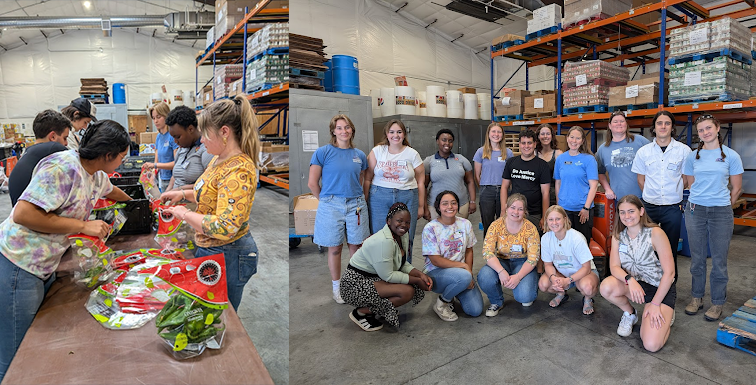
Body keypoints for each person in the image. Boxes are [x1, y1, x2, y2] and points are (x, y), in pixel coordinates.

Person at [0, 120, 132, 382]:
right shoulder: (63, 168)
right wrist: (83, 225)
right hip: (20, 263)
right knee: (16, 349)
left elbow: (110, 190)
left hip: (44, 263)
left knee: (33, 341)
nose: (122, 162)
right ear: (108, 155)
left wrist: (141, 202)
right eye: (121, 157)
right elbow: (23, 214)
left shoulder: (95, 172)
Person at [160, 95, 261, 311]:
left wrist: (184, 214)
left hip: (229, 252)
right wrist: (184, 194)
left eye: (205, 134)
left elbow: (225, 226)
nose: (202, 140)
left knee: (221, 314)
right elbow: (212, 194)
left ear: (225, 132)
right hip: (212, 247)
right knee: (207, 310)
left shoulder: (239, 170)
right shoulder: (218, 159)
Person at [682, 114, 743, 321]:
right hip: (695, 210)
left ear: (717, 128)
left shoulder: (731, 156)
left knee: (719, 260)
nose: (705, 132)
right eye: (701, 130)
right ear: (698, 134)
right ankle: (696, 298)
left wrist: (722, 203)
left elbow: (736, 188)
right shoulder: (692, 156)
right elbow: (690, 183)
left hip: (721, 212)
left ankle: (717, 303)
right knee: (697, 258)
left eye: (709, 128)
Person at [307, 114, 370, 304]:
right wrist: (327, 201)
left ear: (352, 130)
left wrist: (361, 198)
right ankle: (337, 287)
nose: (344, 131)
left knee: (356, 247)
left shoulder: (359, 155)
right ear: (333, 131)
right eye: (340, 128)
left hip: (356, 204)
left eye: (347, 127)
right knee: (334, 248)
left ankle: (354, 284)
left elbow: (361, 179)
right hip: (331, 205)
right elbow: (312, 183)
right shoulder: (323, 152)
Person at [599, 195, 676, 352]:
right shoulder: (618, 236)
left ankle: (666, 314)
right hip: (634, 285)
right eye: (622, 212)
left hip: (658, 288)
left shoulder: (655, 233)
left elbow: (670, 273)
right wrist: (630, 280)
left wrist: (655, 304)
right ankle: (630, 313)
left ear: (641, 211)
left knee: (651, 345)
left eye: (631, 211)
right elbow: (614, 267)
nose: (627, 216)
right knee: (606, 287)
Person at [340, 203, 432, 331]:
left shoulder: (401, 235)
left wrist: (420, 274)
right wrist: (416, 280)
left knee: (409, 285)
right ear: (389, 221)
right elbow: (388, 275)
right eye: (399, 221)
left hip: (373, 278)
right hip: (354, 285)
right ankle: (361, 313)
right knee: (407, 291)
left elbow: (401, 263)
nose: (404, 225)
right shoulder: (384, 241)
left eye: (407, 222)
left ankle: (380, 309)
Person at [632, 111, 691, 282]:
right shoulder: (644, 152)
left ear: (672, 127)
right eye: (660, 123)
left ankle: (670, 283)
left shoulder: (683, 151)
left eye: (667, 123)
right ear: (654, 127)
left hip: (672, 207)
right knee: (647, 247)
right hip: (649, 206)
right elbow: (640, 180)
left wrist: (674, 191)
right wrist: (652, 194)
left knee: (670, 247)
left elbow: (686, 179)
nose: (663, 126)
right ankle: (648, 281)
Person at [363, 119, 425, 263]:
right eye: (392, 132)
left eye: (399, 132)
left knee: (405, 238)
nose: (395, 135)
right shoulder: (377, 151)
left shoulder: (412, 154)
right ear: (386, 133)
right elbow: (367, 178)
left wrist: (421, 206)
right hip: (379, 196)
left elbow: (421, 181)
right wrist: (365, 200)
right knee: (379, 237)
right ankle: (380, 272)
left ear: (404, 134)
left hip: (407, 196)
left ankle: (404, 271)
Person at [422, 191, 483, 321]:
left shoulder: (465, 224)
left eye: (453, 203)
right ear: (438, 207)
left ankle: (455, 289)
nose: (450, 207)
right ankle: (442, 302)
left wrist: (469, 274)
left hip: (461, 274)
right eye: (445, 204)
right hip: (436, 273)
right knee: (464, 276)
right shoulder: (431, 228)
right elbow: (436, 260)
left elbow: (469, 250)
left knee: (475, 310)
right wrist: (464, 267)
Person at [477, 193, 540, 316]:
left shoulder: (530, 228)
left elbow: (533, 258)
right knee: (485, 276)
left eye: (520, 209)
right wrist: (501, 271)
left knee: (525, 297)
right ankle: (496, 302)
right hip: (502, 261)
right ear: (506, 208)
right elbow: (487, 252)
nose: (516, 212)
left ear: (525, 211)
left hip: (523, 262)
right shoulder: (496, 225)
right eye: (513, 207)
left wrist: (518, 277)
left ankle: (527, 288)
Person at [538, 205, 599, 315]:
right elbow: (548, 265)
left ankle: (587, 299)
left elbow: (587, 267)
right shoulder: (546, 238)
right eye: (551, 219)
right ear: (546, 221)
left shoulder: (577, 238)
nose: (554, 222)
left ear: (565, 219)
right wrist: (553, 278)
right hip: (562, 273)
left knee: (587, 288)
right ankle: (561, 294)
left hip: (584, 272)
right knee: (543, 284)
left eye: (558, 219)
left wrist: (568, 280)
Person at [8, 109, 70, 206]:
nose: (66, 143)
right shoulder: (54, 148)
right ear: (52, 137)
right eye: (65, 138)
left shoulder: (30, 152)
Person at [554, 126, 599, 243]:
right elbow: (558, 183)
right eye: (572, 137)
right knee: (565, 243)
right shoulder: (560, 159)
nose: (574, 141)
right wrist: (559, 206)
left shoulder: (589, 159)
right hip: (564, 210)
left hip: (582, 210)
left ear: (583, 141)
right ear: (567, 138)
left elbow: (594, 186)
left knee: (582, 244)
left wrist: (586, 208)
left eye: (578, 138)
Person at [501, 130, 550, 233]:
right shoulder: (511, 163)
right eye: (523, 143)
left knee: (534, 245)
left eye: (529, 143)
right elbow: (504, 187)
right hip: (514, 212)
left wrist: (544, 217)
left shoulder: (543, 165)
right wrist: (503, 210)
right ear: (519, 144)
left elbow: (545, 193)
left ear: (535, 144)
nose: (526, 146)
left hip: (534, 213)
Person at [596, 110, 650, 201]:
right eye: (615, 122)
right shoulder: (603, 149)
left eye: (622, 121)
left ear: (626, 124)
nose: (619, 124)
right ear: (609, 126)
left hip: (643, 197)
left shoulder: (640, 141)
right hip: (619, 199)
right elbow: (600, 173)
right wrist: (607, 189)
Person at [423, 129, 476, 220]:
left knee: (459, 232)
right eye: (444, 140)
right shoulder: (429, 162)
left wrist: (472, 201)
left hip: (461, 206)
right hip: (435, 207)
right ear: (437, 141)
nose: (447, 143)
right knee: (438, 233)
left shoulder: (461, 159)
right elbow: (424, 186)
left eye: (450, 141)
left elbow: (470, 181)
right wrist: (424, 207)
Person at [473, 122, 514, 237]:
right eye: (493, 131)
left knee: (504, 221)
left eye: (499, 132)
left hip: (504, 191)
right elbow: (477, 175)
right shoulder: (481, 152)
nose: (496, 134)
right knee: (488, 223)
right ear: (488, 134)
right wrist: (483, 188)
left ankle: (502, 248)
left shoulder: (508, 152)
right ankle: (489, 250)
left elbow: (511, 174)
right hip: (487, 191)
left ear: (502, 134)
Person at [164, 105, 214, 191]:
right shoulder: (182, 149)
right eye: (173, 137)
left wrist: (180, 190)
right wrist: (167, 192)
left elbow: (209, 183)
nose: (175, 141)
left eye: (178, 137)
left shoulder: (206, 149)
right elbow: (175, 176)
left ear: (190, 129)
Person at [145, 102, 178, 192]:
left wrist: (155, 165)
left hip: (174, 181)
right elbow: (157, 161)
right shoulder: (159, 137)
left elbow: (177, 164)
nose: (155, 121)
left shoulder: (173, 136)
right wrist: (152, 176)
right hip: (162, 180)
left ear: (166, 116)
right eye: (154, 118)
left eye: (159, 117)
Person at [536, 123, 563, 207]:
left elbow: (561, 179)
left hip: (553, 195)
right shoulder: (533, 153)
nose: (545, 136)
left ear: (552, 136)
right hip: (536, 194)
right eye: (542, 134)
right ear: (538, 136)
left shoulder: (558, 154)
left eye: (548, 134)